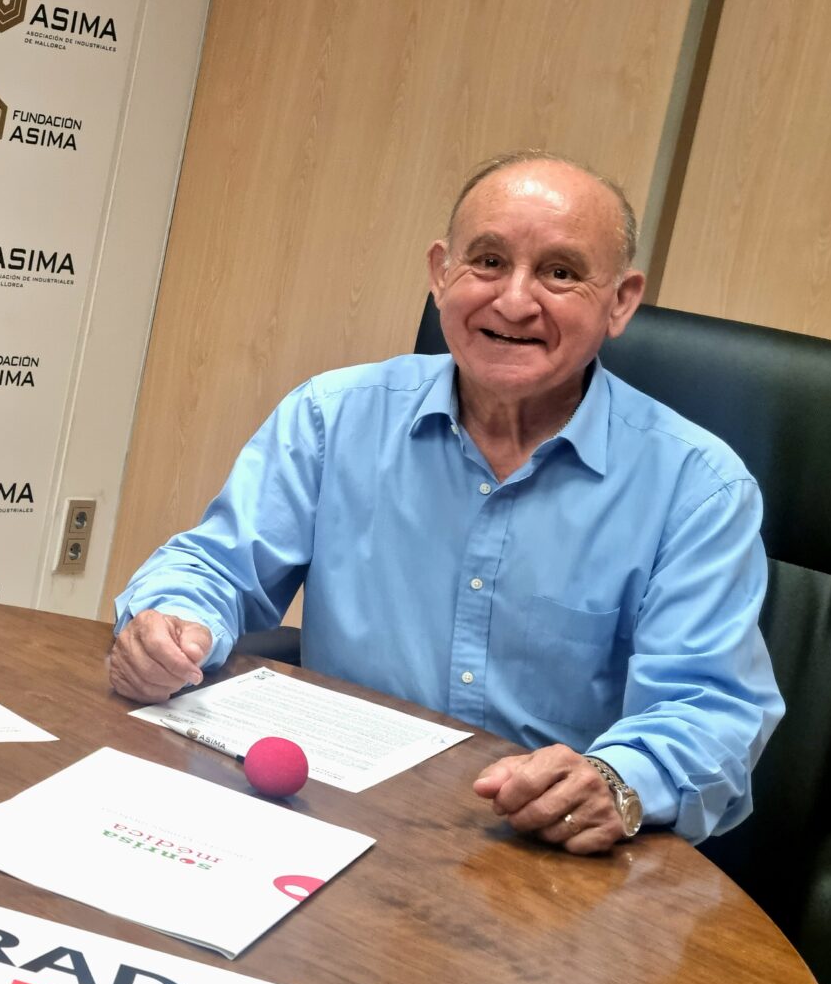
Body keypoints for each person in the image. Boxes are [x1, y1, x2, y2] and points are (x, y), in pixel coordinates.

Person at [110, 152, 781, 851]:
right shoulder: (332, 417)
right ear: (440, 272)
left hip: (541, 853)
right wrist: (173, 625)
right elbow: (216, 567)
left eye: (560, 272)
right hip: (333, 814)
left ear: (620, 301)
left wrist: (616, 778)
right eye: (488, 261)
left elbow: (707, 711)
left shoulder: (697, 487)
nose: (514, 302)